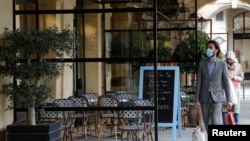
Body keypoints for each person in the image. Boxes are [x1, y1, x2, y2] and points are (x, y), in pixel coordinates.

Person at [195, 40, 232, 131]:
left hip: (217, 97)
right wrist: (196, 99)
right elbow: (198, 82)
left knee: (216, 120)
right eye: (208, 47)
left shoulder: (222, 64)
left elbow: (226, 83)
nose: (208, 49)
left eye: (211, 47)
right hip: (204, 97)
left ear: (216, 50)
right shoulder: (202, 64)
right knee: (207, 122)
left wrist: (229, 99)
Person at [222, 51, 244, 124]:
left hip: (235, 89)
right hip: (225, 89)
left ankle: (236, 122)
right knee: (225, 106)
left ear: (233, 59)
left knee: (236, 107)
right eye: (227, 59)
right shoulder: (223, 65)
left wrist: (234, 77)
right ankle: (225, 122)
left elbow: (241, 77)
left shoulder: (238, 66)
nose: (229, 61)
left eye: (230, 59)